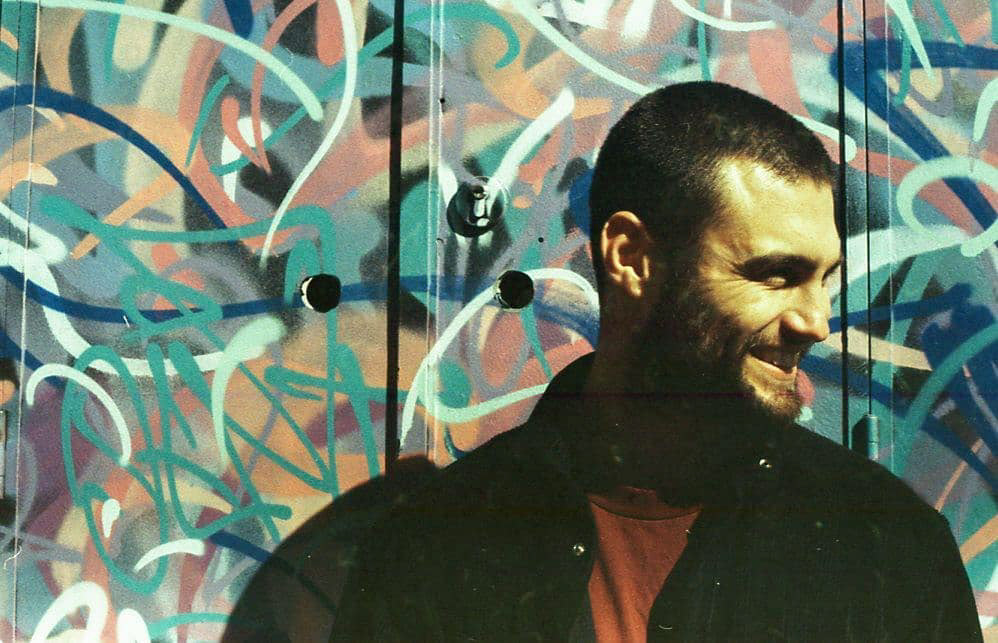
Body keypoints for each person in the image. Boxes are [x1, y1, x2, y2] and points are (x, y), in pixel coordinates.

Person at [329, 82, 983, 641]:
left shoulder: (887, 550)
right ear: (632, 258)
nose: (815, 321)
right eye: (776, 275)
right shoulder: (436, 551)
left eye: (824, 278)